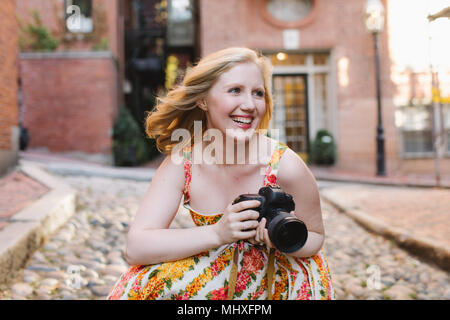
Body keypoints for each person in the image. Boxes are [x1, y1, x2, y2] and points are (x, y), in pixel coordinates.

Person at [107, 47, 335, 300]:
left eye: (258, 93)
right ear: (203, 100)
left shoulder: (286, 165)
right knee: (140, 282)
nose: (249, 105)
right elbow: (136, 247)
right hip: (212, 277)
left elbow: (316, 236)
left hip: (278, 279)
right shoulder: (182, 164)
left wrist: (280, 237)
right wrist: (218, 233)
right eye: (235, 90)